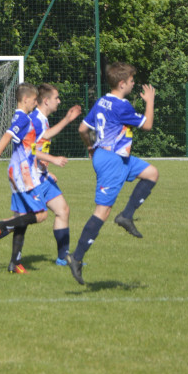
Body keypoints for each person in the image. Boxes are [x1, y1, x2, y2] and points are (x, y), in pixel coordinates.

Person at [65, 62, 158, 286]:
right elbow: (147, 126)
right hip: (112, 161)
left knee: (151, 173)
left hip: (113, 156)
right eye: (132, 81)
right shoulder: (121, 106)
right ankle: (76, 258)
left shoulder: (102, 101)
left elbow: (82, 129)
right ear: (122, 83)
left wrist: (90, 147)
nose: (134, 83)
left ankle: (126, 216)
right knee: (102, 211)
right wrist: (150, 102)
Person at [0, 83, 70, 273]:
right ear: (25, 100)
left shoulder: (23, 118)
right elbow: (7, 136)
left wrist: (45, 170)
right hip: (22, 173)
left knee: (24, 217)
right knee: (40, 215)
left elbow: (30, 147)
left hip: (24, 171)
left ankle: (14, 262)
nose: (35, 102)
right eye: (33, 100)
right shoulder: (23, 119)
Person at [30, 83, 82, 265]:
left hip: (41, 176)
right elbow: (30, 151)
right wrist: (52, 159)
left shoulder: (43, 119)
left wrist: (46, 170)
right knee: (27, 220)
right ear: (46, 101)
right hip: (30, 179)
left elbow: (40, 146)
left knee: (63, 210)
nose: (59, 101)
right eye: (56, 98)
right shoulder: (35, 120)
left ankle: (63, 258)